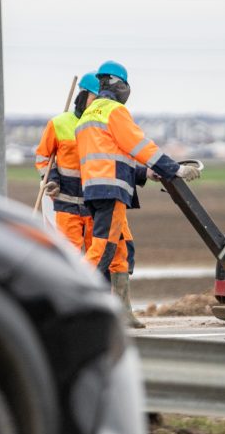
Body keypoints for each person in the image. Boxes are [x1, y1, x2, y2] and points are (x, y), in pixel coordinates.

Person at [75, 60, 201, 326]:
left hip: (96, 190)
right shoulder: (114, 111)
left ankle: (122, 312)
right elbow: (140, 146)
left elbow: (113, 156)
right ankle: (72, 299)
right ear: (120, 85)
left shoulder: (89, 115)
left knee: (120, 250)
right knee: (102, 248)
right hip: (111, 190)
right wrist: (173, 169)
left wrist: (146, 174)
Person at [34, 72, 100, 252]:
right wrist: (52, 180)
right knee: (71, 256)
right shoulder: (58, 124)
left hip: (94, 203)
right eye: (95, 98)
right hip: (66, 203)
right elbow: (43, 157)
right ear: (83, 95)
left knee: (97, 258)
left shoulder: (100, 126)